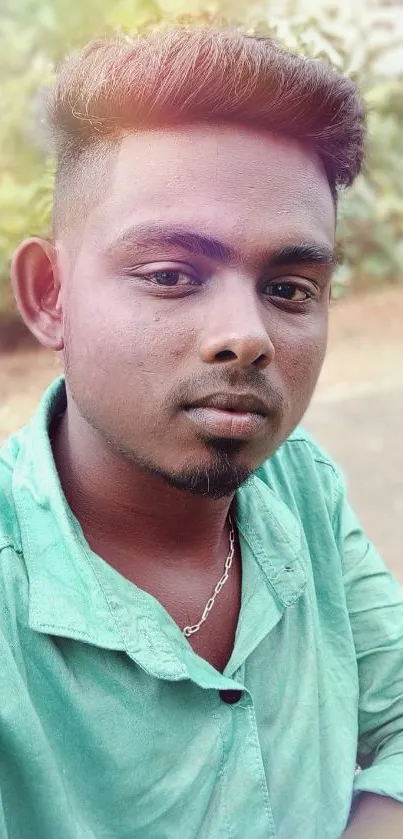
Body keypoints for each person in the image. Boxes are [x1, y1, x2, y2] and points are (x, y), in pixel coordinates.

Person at [0, 25, 402, 839]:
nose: (245, 336)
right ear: (50, 296)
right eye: (171, 275)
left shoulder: (302, 485)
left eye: (290, 287)